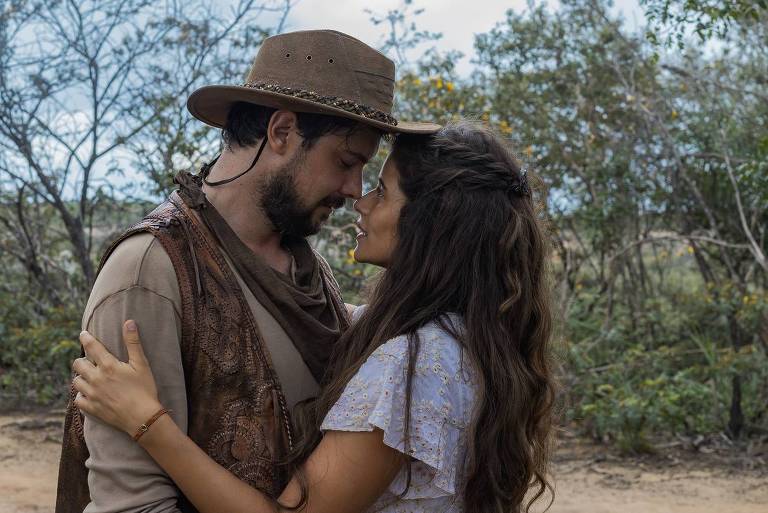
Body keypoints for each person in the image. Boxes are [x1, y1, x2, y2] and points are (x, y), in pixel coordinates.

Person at [71, 121, 557, 513]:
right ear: (280, 134)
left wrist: (149, 424)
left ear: (431, 225)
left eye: (382, 191)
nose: (359, 197)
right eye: (348, 164)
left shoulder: (410, 364)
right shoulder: (470, 333)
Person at [55, 29, 439, 513]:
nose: (353, 188)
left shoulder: (309, 266)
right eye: (345, 161)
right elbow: (132, 504)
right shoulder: (151, 271)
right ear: (280, 132)